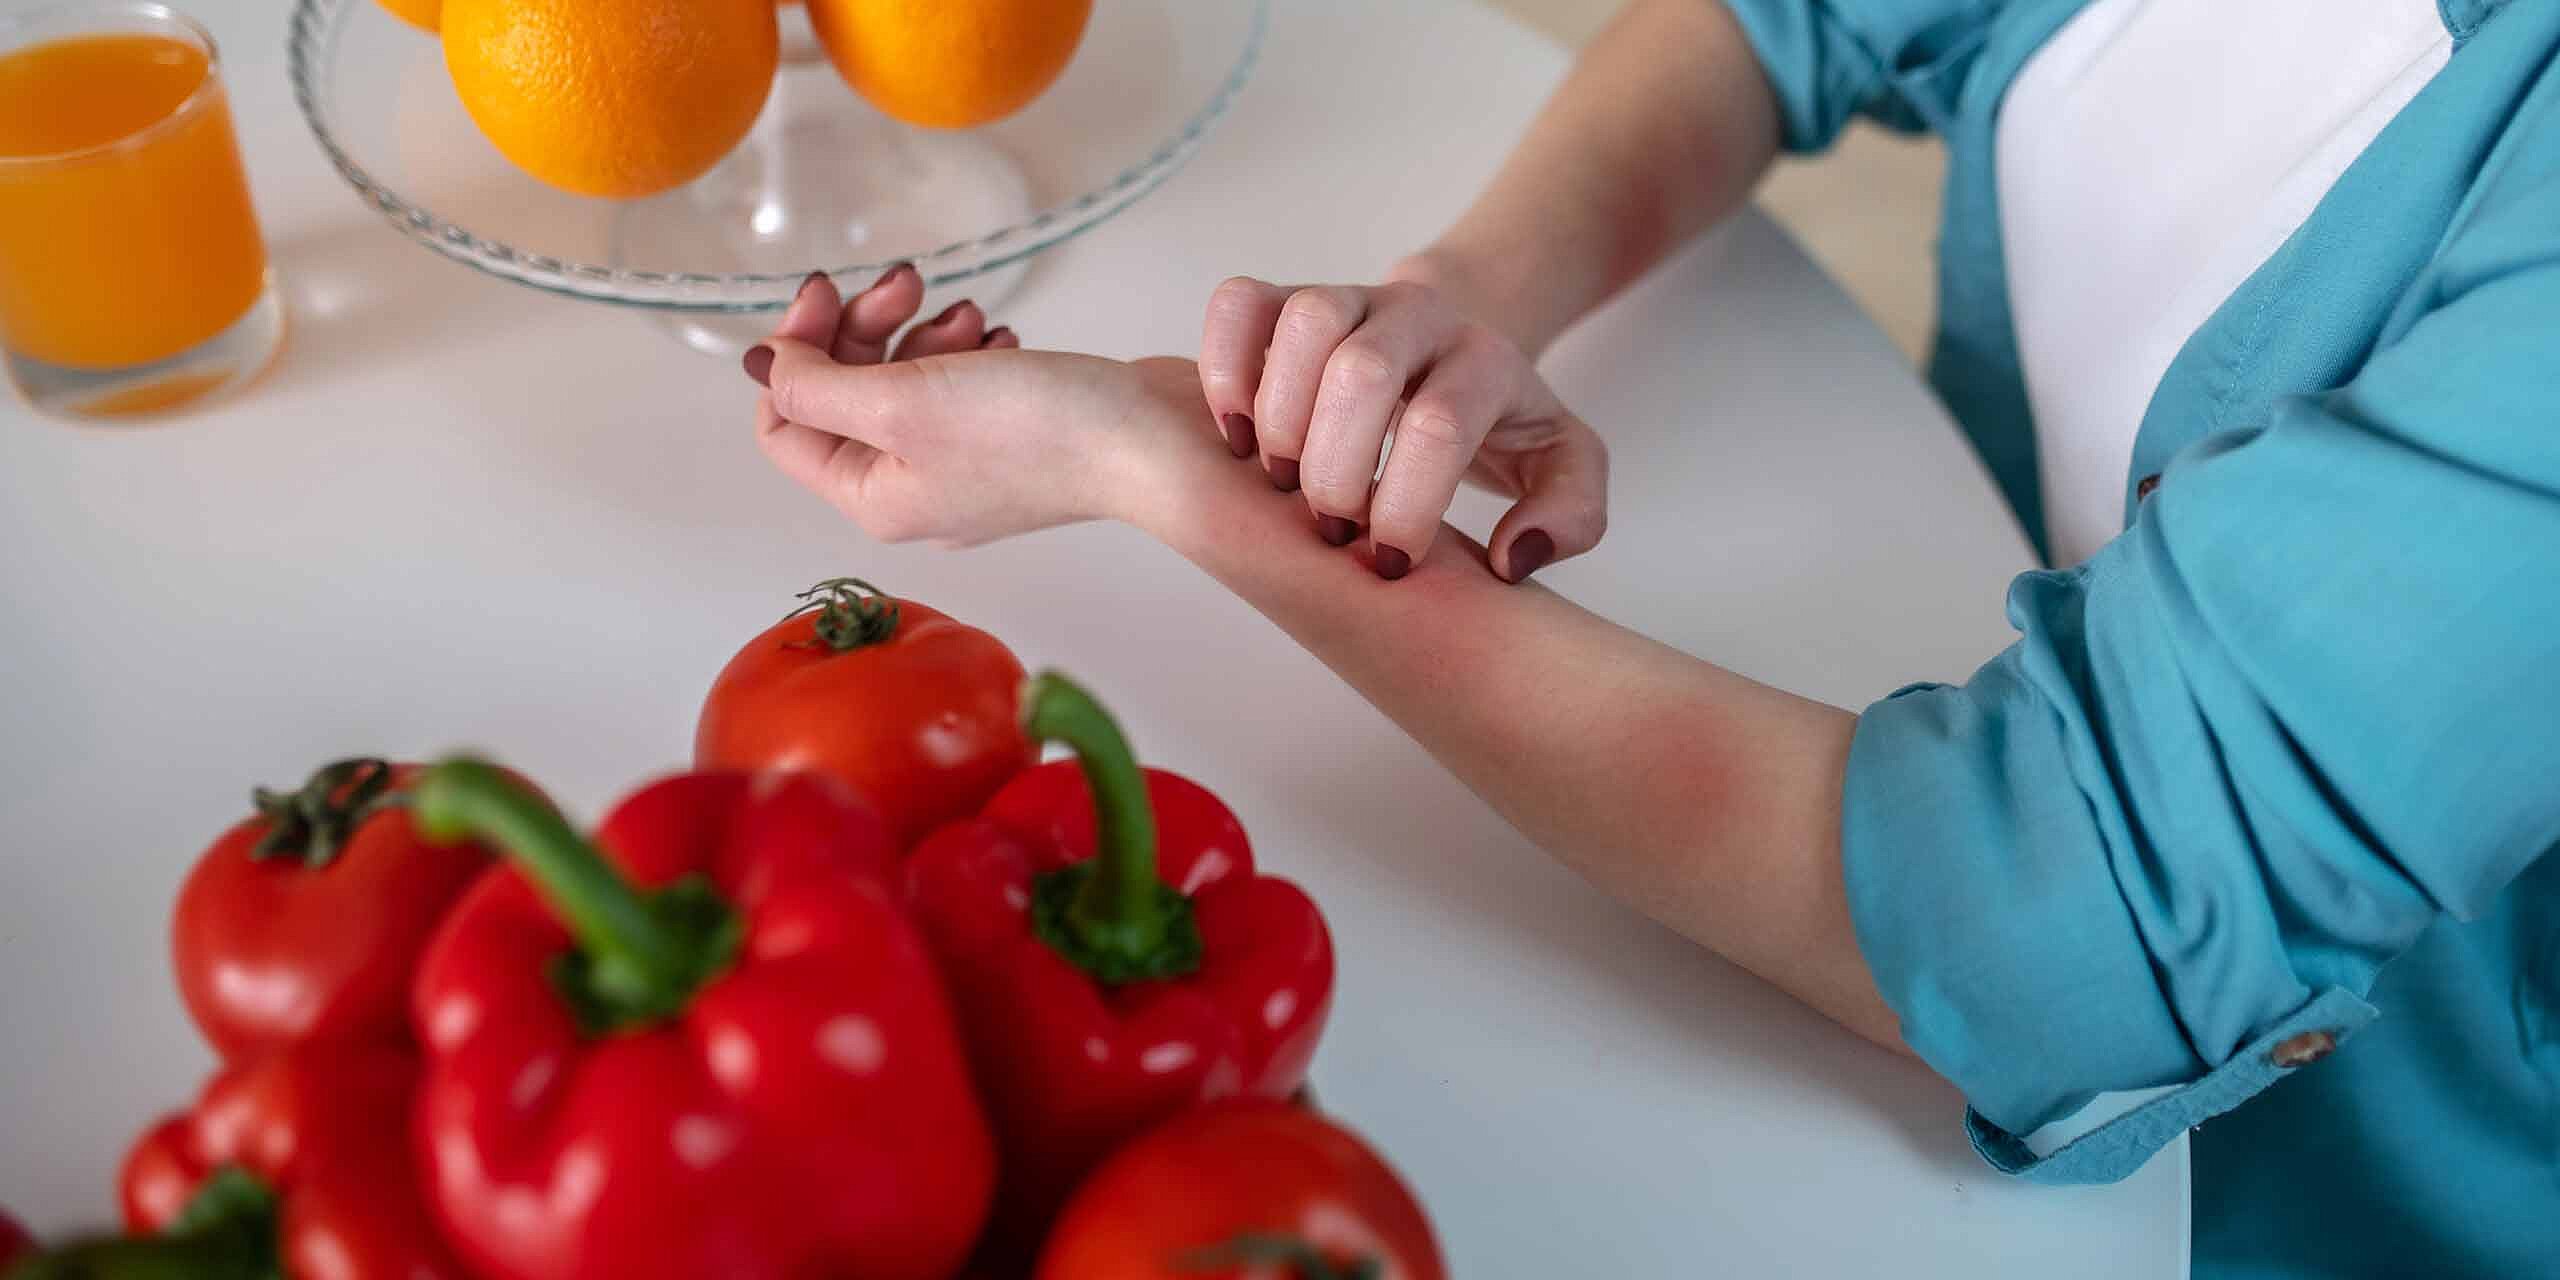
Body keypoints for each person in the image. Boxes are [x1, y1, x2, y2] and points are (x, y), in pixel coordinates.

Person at [737, 0, 2560, 1272]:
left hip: (2248, 1202)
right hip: (1861, 695)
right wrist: (1460, 305)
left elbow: (2050, 916)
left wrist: (1164, 466)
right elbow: (1789, 16)